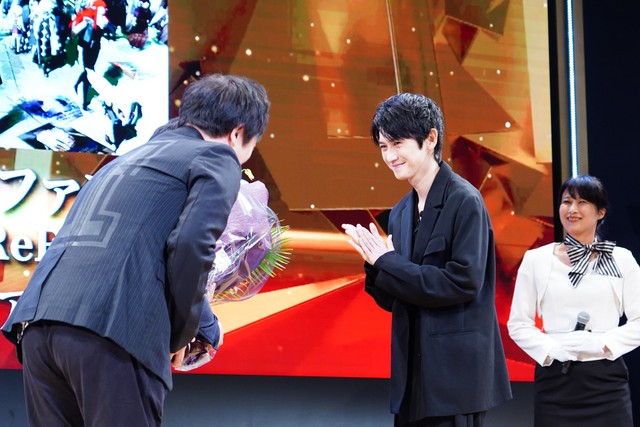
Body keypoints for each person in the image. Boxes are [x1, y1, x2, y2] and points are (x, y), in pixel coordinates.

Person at [1, 73, 271, 426]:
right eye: (251, 147)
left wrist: (200, 321)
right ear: (238, 133)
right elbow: (190, 246)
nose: (245, 159)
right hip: (110, 329)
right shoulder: (217, 157)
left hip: (38, 326)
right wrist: (181, 335)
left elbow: (142, 249)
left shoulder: (124, 159)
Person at [342, 93, 512, 426]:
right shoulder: (401, 212)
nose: (390, 156)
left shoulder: (465, 200)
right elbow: (398, 298)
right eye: (383, 147)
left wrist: (387, 261)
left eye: (397, 143)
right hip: (412, 377)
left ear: (430, 138)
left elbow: (462, 282)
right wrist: (375, 264)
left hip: (454, 378)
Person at [508, 175, 640, 427]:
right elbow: (518, 324)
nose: (572, 209)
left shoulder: (621, 259)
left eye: (582, 203)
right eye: (566, 202)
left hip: (606, 380)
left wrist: (603, 343)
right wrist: (552, 349)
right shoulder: (537, 259)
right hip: (555, 379)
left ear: (600, 212)